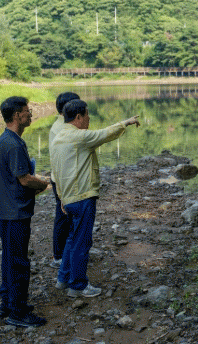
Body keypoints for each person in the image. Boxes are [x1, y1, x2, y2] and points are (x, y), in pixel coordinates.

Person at [51, 100, 139, 298]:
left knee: (72, 238)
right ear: (79, 117)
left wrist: (61, 198)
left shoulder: (58, 138)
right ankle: (78, 285)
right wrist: (126, 122)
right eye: (87, 115)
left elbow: (56, 172)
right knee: (82, 241)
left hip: (68, 198)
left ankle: (63, 278)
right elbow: (104, 134)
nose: (89, 119)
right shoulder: (79, 137)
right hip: (82, 197)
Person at [0, 96, 49, 327]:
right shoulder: (14, 144)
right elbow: (24, 179)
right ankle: (17, 311)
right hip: (15, 212)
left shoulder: (6, 138)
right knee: (18, 261)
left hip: (5, 210)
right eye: (27, 111)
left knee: (9, 258)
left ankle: (7, 303)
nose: (30, 114)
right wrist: (44, 183)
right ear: (17, 115)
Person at [48, 92, 81, 269]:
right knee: (63, 216)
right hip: (62, 179)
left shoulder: (63, 124)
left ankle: (65, 253)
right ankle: (59, 255)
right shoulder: (62, 128)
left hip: (63, 177)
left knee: (66, 215)